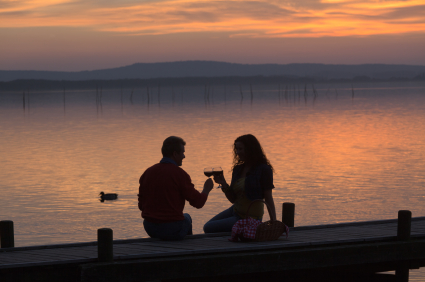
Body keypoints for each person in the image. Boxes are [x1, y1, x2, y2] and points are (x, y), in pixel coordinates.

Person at [139, 136, 214, 240]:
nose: (184, 156)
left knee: (182, 218)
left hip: (150, 227)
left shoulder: (147, 172)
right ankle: (187, 250)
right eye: (182, 153)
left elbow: (140, 205)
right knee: (187, 218)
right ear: (175, 154)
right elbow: (198, 203)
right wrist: (206, 189)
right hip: (172, 228)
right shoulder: (180, 174)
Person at [203, 134, 276, 233]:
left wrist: (274, 222)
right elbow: (233, 199)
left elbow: (268, 197)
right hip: (235, 211)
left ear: (250, 149)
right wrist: (223, 183)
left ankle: (240, 234)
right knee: (207, 226)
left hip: (250, 218)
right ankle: (236, 233)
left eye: (240, 149)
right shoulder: (238, 169)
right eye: (236, 149)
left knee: (208, 228)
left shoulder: (264, 169)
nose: (237, 152)